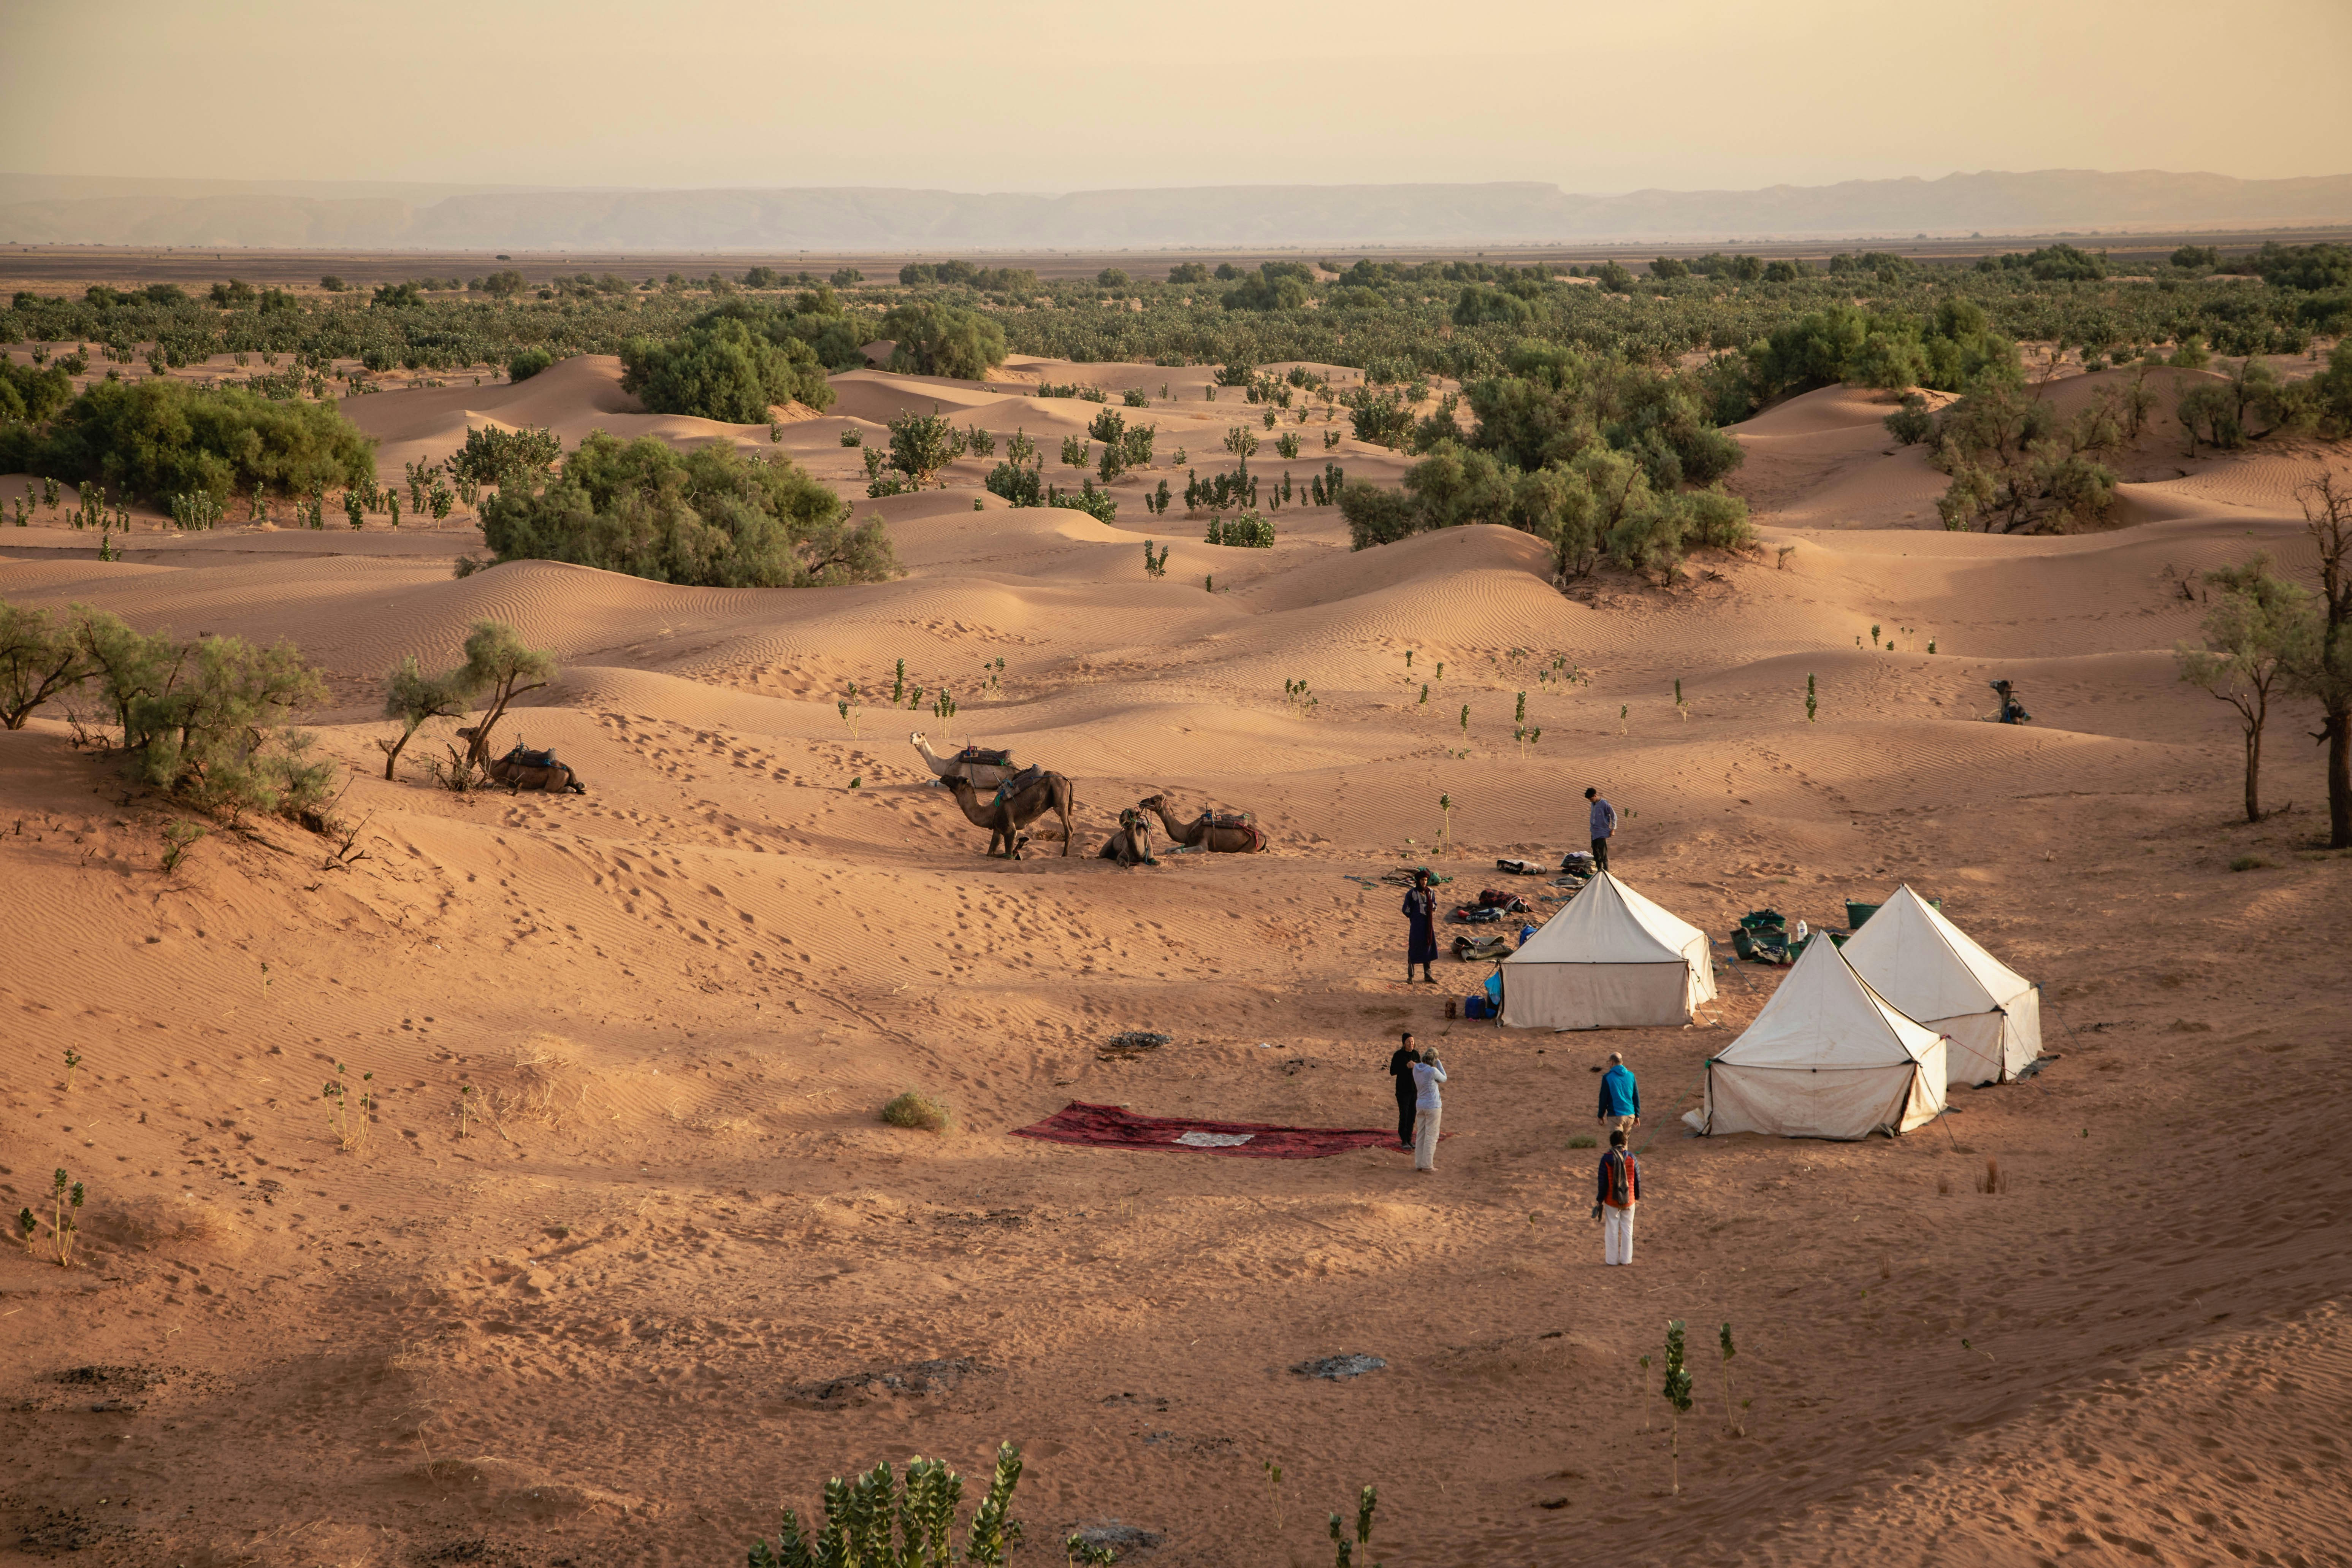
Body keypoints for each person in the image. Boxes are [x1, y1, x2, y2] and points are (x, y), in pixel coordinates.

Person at [1594, 1127, 1640, 1265]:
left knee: (1612, 1230)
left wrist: (1600, 1200)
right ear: (1625, 1142)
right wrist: (1636, 1196)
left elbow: (1603, 1183)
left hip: (1611, 1200)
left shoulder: (1606, 1158)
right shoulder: (1632, 1158)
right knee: (1628, 1230)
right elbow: (1637, 1180)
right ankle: (1626, 1260)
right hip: (1629, 1199)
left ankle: (1612, 1260)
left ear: (1612, 1143)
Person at [1410, 1048, 1447, 1172]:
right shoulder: (1432, 1071)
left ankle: (1419, 1163)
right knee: (1431, 1135)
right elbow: (1444, 1078)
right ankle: (1427, 1165)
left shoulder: (1416, 1069)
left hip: (1420, 1105)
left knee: (1421, 1134)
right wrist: (1439, 1063)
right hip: (1433, 1106)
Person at [1401, 870, 1439, 983]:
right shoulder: (1412, 893)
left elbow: (1435, 905)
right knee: (1414, 948)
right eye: (1422, 880)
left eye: (1426, 880)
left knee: (1428, 947)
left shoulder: (1431, 892)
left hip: (1428, 924)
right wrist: (1414, 917)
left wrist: (1431, 907)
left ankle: (1428, 975)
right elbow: (1405, 909)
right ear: (1418, 881)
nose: (1424, 882)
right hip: (1417, 925)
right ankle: (1411, 976)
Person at [1387, 1034, 1420, 1150]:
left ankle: (1410, 1140)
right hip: (1403, 1091)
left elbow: (1421, 1069)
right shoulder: (1398, 1055)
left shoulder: (1416, 1054)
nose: (1411, 1044)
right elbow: (1392, 1071)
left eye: (1413, 1041)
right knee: (1404, 1115)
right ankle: (1404, 1140)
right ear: (1404, 1044)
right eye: (1409, 1042)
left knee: (1412, 1115)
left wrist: (1418, 1067)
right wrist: (1406, 1066)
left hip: (1414, 1090)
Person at [1598, 1051, 1639, 1137]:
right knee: (1624, 1142)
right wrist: (1637, 1115)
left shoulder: (1608, 1077)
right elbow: (1636, 1097)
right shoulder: (1631, 1076)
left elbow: (1603, 1098)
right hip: (1630, 1115)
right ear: (1622, 1062)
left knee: (1616, 1143)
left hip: (1616, 1116)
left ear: (1612, 1062)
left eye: (1609, 1062)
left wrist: (1601, 1115)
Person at [1585, 786, 1617, 873]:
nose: (1590, 801)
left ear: (1595, 796)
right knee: (1595, 851)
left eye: (1591, 799)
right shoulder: (1593, 804)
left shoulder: (1605, 804)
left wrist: (1613, 829)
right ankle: (1599, 871)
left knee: (1603, 853)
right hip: (1594, 831)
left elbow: (1614, 816)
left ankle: (1606, 872)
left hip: (1602, 831)